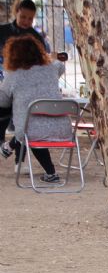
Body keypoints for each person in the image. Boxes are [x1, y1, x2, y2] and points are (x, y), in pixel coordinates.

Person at [0, 35, 70, 182]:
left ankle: (51, 173)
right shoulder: (52, 68)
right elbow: (61, 66)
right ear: (39, 51)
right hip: (62, 128)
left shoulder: (12, 75)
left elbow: (3, 102)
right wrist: (53, 57)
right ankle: (9, 147)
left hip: (31, 131)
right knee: (32, 122)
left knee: (28, 126)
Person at [0, 0, 47, 147]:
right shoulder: (2, 31)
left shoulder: (35, 37)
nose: (26, 21)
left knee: (23, 115)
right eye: (23, 17)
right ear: (16, 13)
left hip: (26, 81)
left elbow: (41, 60)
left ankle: (18, 153)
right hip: (4, 75)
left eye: (30, 18)